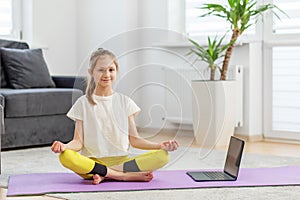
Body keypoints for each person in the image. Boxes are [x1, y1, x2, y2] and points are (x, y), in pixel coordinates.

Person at [51, 48, 179, 184]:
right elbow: (78, 142)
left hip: (121, 163)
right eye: (101, 70)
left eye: (111, 70)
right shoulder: (82, 103)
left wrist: (160, 145)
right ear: (91, 72)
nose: (106, 74)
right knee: (65, 157)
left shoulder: (125, 102)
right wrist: (65, 147)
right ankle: (121, 176)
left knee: (162, 156)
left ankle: (104, 173)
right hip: (92, 163)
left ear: (116, 71)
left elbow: (135, 140)